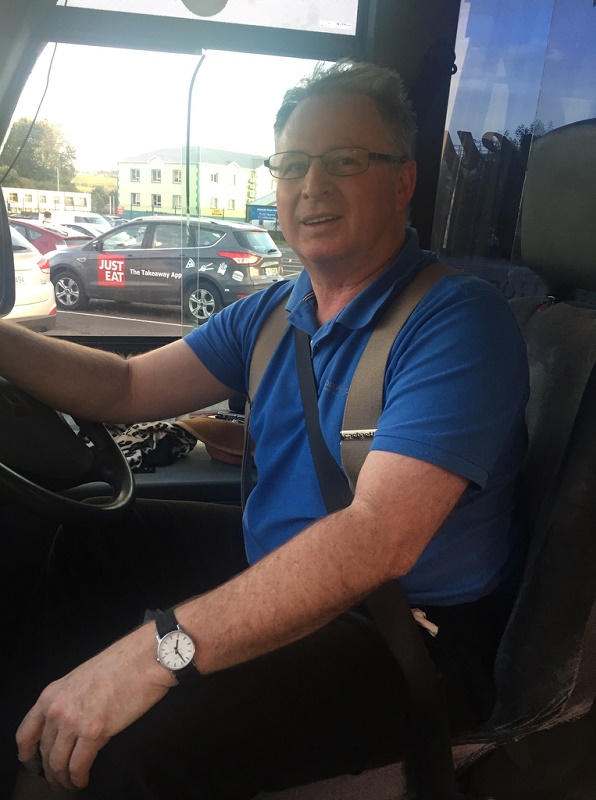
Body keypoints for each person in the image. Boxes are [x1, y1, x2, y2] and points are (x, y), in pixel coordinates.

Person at [1, 59, 529, 798]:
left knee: (132, 740)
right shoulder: (276, 313)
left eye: (346, 160)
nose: (313, 184)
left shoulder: (459, 322)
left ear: (402, 181)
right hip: (288, 573)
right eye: (292, 163)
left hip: (405, 636)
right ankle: (38, 733)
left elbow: (379, 534)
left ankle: (76, 761)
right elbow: (125, 385)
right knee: (90, 541)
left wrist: (155, 655)